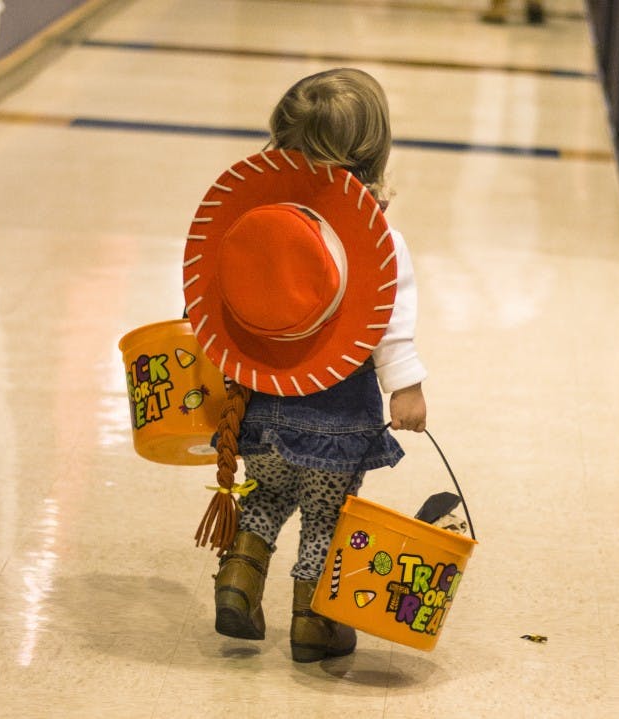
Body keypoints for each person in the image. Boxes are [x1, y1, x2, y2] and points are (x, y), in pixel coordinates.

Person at [182, 68, 427, 663]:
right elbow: (390, 321)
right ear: (374, 149)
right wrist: (406, 387)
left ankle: (238, 581)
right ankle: (313, 622)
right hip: (337, 415)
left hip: (259, 403)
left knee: (267, 493)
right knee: (325, 514)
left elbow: (214, 294)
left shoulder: (253, 219)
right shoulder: (377, 237)